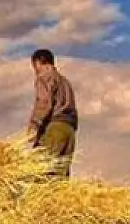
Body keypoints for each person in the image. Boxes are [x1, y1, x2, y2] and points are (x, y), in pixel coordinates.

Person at [26, 48, 78, 178]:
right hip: (69, 131)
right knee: (60, 178)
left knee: (41, 173)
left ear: (38, 62)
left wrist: (34, 126)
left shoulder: (44, 76)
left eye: (34, 66)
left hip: (55, 128)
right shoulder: (65, 82)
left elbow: (44, 102)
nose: (35, 70)